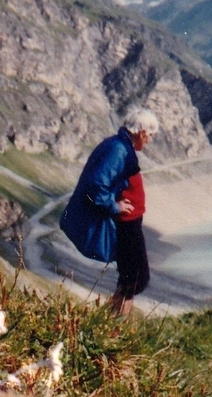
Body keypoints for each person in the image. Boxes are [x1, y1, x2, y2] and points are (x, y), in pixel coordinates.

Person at [59, 107, 159, 315]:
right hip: (126, 222)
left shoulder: (118, 145)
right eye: (150, 135)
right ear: (141, 132)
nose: (150, 140)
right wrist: (114, 206)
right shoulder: (119, 150)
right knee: (135, 278)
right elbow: (97, 185)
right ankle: (114, 323)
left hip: (130, 220)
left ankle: (111, 321)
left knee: (131, 277)